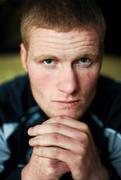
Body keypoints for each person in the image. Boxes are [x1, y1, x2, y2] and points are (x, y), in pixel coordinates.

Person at [0, 0, 121, 179]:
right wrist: (28, 177)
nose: (69, 86)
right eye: (48, 61)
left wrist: (97, 175)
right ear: (24, 58)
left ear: (101, 56)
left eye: (84, 60)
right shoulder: (3, 107)